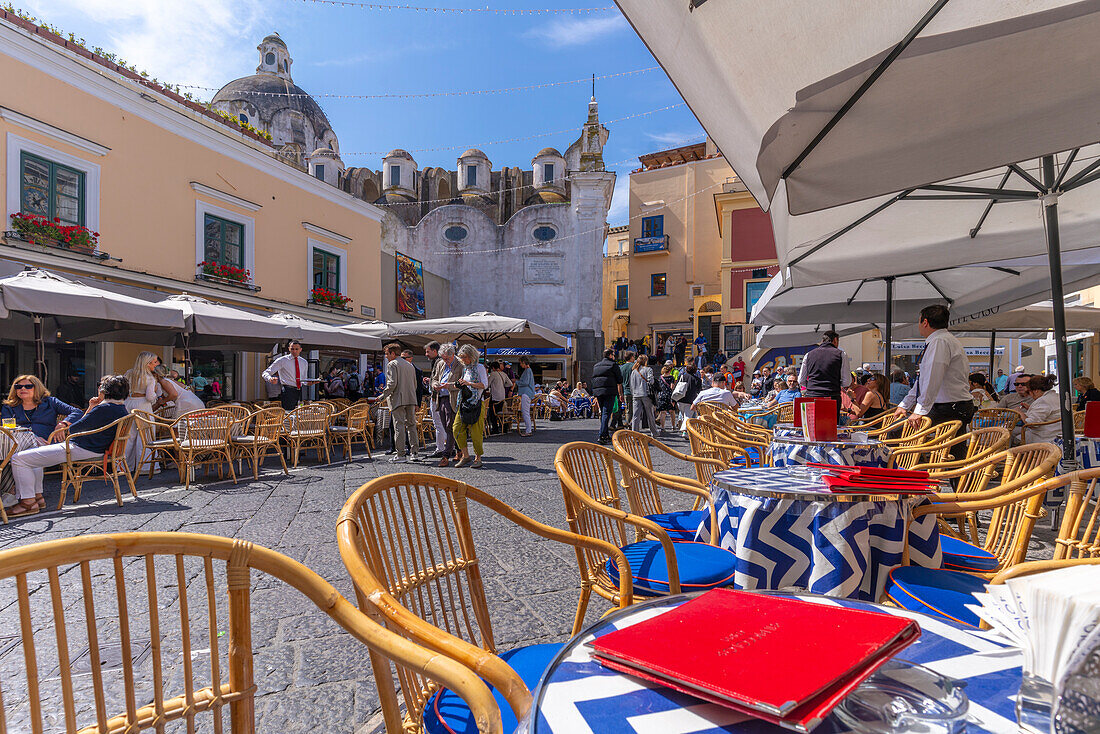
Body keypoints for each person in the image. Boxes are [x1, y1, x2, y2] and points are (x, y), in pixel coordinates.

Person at [8, 375, 129, 517]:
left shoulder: (104, 408)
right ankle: (37, 498)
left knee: (18, 459)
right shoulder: (120, 408)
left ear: (104, 391)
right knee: (32, 456)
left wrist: (91, 407)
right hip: (96, 449)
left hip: (83, 448)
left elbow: (74, 429)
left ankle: (28, 503)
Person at [893, 305, 976, 460]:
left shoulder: (939, 341)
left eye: (918, 322)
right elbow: (923, 379)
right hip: (954, 405)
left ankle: (905, 474)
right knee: (954, 455)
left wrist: (919, 410)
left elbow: (932, 377)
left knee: (895, 433)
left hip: (949, 406)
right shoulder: (943, 340)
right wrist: (905, 404)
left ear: (925, 322)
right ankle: (954, 482)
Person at [1, 374, 83, 515]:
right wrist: (31, 436)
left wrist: (63, 424)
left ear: (37, 388)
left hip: (47, 443)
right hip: (17, 443)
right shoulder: (9, 407)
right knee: (27, 449)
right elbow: (5, 427)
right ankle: (36, 497)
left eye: (28, 386)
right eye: (18, 386)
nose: (23, 389)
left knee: (28, 452)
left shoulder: (50, 402)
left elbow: (77, 412)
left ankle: (24, 497)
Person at [374, 343, 420, 463]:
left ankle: (401, 454)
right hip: (410, 398)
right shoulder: (410, 365)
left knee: (398, 426)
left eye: (386, 354)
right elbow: (415, 384)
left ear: (393, 353)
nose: (386, 357)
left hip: (398, 399)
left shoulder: (392, 364)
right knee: (411, 425)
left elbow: (392, 384)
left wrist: (382, 396)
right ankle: (414, 452)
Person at [798, 331, 853, 420]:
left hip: (812, 396)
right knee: (830, 428)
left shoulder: (808, 355)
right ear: (835, 340)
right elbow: (846, 382)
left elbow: (801, 380)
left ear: (823, 340)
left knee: (812, 426)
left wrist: (813, 387)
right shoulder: (841, 354)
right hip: (831, 396)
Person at [451, 344, 489, 468]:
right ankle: (466, 456)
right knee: (456, 428)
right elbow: (465, 383)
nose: (463, 360)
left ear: (472, 356)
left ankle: (478, 458)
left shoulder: (480, 368)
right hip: (464, 402)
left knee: (475, 432)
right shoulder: (465, 368)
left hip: (477, 402)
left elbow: (484, 385)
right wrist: (460, 384)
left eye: (465, 357)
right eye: (461, 358)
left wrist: (469, 383)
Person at [124, 351, 161, 473]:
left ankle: (125, 466)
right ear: (148, 363)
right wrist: (156, 391)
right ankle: (145, 466)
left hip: (129, 403)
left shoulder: (129, 373)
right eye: (154, 362)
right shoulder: (149, 377)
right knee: (145, 436)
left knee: (128, 436)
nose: (156, 364)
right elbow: (150, 397)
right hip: (143, 406)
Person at [430, 344, 459, 466]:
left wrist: (449, 386)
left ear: (453, 355)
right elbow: (434, 378)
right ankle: (459, 450)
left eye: (447, 358)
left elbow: (462, 382)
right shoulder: (440, 363)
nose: (445, 361)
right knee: (445, 425)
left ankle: (446, 454)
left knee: (450, 425)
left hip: (452, 397)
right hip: (440, 397)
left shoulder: (460, 364)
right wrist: (435, 385)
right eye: (443, 358)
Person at [263, 340, 311, 411]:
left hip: (299, 391)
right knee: (288, 414)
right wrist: (270, 379)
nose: (294, 351)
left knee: (298, 412)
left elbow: (303, 379)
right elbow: (266, 372)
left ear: (300, 350)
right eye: (292, 349)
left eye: (296, 349)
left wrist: (309, 383)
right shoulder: (282, 360)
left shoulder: (304, 362)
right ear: (289, 349)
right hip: (287, 390)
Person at [590, 349, 625, 444]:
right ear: (610, 355)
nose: (614, 357)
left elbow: (593, 379)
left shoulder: (596, 365)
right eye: (613, 355)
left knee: (603, 414)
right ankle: (602, 435)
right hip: (609, 392)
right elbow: (619, 379)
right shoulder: (613, 365)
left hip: (598, 392)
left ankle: (605, 434)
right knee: (606, 413)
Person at [424, 342, 448, 457]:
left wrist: (433, 383)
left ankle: (441, 449)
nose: (426, 354)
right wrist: (430, 380)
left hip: (437, 397)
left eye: (428, 351)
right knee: (442, 424)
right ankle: (446, 447)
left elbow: (439, 379)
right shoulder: (438, 361)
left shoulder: (439, 362)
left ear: (435, 351)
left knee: (439, 423)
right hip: (439, 396)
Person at [1021, 375, 1061, 444]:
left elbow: (1031, 424)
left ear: (1036, 391)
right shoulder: (1057, 396)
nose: (1029, 395)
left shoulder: (1043, 400)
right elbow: (1048, 412)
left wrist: (1020, 413)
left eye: (1029, 392)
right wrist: (1030, 408)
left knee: (1011, 434)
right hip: (1058, 432)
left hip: (1045, 437)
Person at [629, 354, 658, 438]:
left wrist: (633, 393)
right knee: (650, 414)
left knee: (636, 415)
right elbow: (651, 381)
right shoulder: (648, 369)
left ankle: (634, 434)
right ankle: (654, 432)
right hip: (646, 394)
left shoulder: (634, 371)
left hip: (635, 394)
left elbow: (631, 384)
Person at [675, 363, 703, 434]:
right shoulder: (697, 380)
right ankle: (684, 431)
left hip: (680, 399)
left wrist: (673, 399)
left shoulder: (681, 377)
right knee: (688, 416)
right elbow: (699, 391)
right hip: (690, 400)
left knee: (684, 415)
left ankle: (684, 427)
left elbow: (676, 387)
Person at [514, 356, 536, 437]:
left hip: (526, 393)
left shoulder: (527, 371)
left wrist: (517, 382)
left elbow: (525, 382)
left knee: (525, 412)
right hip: (527, 393)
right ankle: (528, 430)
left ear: (523, 362)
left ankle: (528, 430)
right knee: (525, 412)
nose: (520, 365)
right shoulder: (528, 370)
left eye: (520, 363)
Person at [654, 364, 676, 433]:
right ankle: (673, 426)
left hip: (661, 395)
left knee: (663, 412)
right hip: (669, 396)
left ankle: (662, 427)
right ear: (669, 371)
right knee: (672, 411)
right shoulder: (671, 377)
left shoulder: (660, 377)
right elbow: (672, 387)